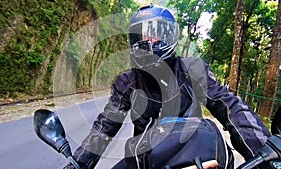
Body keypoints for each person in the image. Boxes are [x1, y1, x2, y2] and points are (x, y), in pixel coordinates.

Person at [64, 4, 277, 169]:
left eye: (157, 35)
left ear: (171, 37)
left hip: (193, 154)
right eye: (142, 37)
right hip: (147, 159)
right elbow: (103, 128)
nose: (149, 42)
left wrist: (267, 152)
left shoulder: (193, 69)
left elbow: (231, 107)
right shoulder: (127, 81)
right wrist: (78, 163)